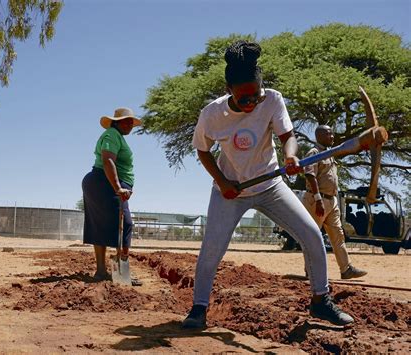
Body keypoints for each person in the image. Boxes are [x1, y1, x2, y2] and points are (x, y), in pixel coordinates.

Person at [182, 41, 354, 329]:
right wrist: (222, 181)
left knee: (312, 234)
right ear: (229, 90)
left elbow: (288, 136)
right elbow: (202, 150)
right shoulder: (212, 114)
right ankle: (198, 309)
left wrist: (290, 157)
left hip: (271, 185)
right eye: (244, 98)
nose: (251, 103)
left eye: (255, 96)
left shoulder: (272, 99)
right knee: (211, 249)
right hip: (231, 192)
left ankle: (320, 301)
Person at [81, 107, 141, 284]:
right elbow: (107, 159)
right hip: (103, 183)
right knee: (125, 224)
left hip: (103, 183)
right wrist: (117, 187)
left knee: (106, 225)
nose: (130, 124)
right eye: (126, 121)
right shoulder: (112, 135)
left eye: (131, 121)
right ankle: (119, 272)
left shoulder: (118, 137)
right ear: (116, 122)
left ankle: (104, 272)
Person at [302, 125, 367, 279]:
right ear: (319, 136)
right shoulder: (314, 153)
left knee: (338, 235)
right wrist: (318, 199)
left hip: (332, 201)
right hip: (317, 200)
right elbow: (310, 175)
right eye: (328, 134)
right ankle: (310, 271)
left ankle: (346, 269)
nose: (332, 137)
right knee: (312, 237)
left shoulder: (330, 153)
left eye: (332, 134)